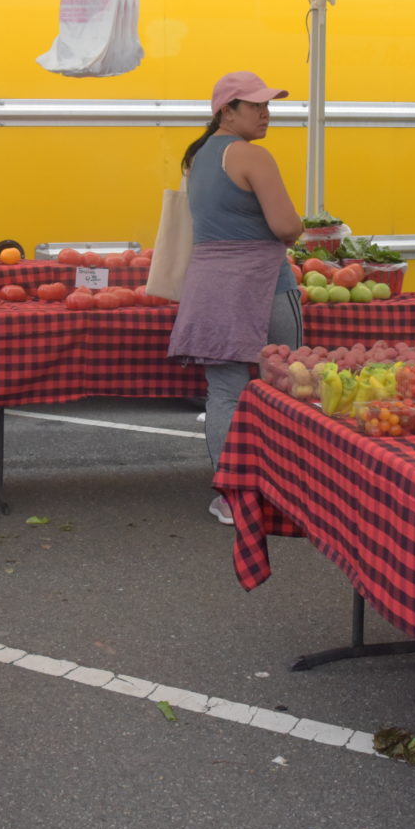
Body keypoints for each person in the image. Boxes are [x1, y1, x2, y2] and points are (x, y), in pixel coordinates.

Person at [168, 71, 305, 524]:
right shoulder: (252, 155)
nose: (267, 115)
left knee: (224, 393)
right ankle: (295, 488)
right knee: (293, 383)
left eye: (269, 106)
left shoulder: (199, 157)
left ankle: (231, 498)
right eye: (256, 106)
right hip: (263, 283)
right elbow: (287, 227)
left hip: (211, 286)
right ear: (227, 111)